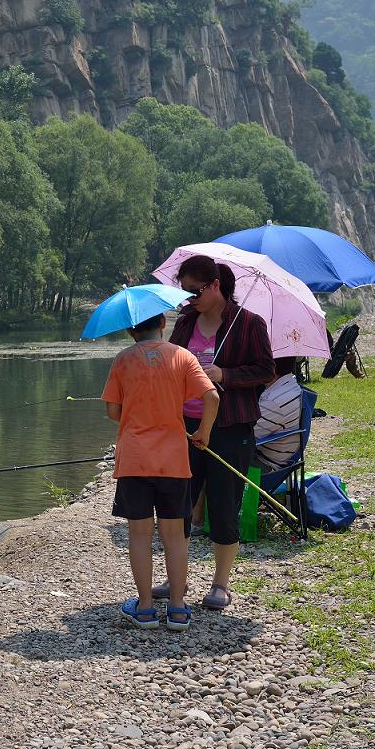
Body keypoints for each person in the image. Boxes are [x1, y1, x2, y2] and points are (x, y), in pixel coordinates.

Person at [162, 254, 275, 611]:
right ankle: (175, 577)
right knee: (177, 504)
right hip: (184, 427)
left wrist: (224, 375)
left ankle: (221, 584)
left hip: (230, 427)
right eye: (185, 293)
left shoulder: (249, 324)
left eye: (195, 292)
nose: (189, 299)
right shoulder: (184, 323)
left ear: (215, 285)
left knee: (224, 505)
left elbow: (265, 369)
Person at [101, 311, 219, 631]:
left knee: (139, 535)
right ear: (163, 324)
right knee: (174, 537)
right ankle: (179, 609)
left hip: (135, 459)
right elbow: (212, 396)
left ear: (130, 330)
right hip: (173, 460)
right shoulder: (182, 356)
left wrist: (135, 416)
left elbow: (113, 411)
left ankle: (145, 608)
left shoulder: (123, 360)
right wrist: (203, 433)